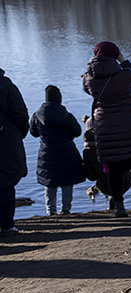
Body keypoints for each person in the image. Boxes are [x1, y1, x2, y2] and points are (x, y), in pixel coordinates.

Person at [82, 41, 131, 217]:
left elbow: (87, 88)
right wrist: (123, 61)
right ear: (115, 54)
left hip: (105, 128)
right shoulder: (125, 74)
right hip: (130, 126)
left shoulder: (89, 78)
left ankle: (119, 208)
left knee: (113, 170)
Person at [28, 85, 85, 215]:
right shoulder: (66, 115)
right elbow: (77, 132)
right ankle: (66, 209)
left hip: (47, 154)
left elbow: (33, 133)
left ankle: (50, 211)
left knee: (49, 182)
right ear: (59, 98)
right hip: (67, 153)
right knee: (67, 181)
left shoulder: (37, 116)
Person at [0, 65, 28, 235]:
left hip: (7, 138)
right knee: (6, 183)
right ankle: (7, 226)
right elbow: (21, 116)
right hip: (6, 141)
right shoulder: (8, 87)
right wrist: (16, 135)